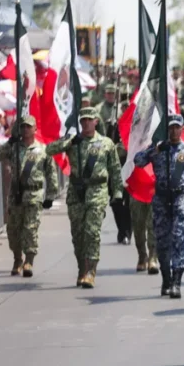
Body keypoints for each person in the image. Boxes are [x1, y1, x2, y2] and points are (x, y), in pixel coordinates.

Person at [47, 107, 122, 288]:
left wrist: (118, 191)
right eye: (83, 120)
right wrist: (70, 141)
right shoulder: (74, 142)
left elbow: (115, 168)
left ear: (96, 121)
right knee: (78, 234)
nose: (86, 123)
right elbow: (49, 149)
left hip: (97, 190)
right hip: (76, 192)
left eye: (89, 120)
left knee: (92, 232)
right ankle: (82, 268)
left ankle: (91, 271)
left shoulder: (106, 143)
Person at [134, 113, 184, 298]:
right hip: (162, 200)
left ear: (182, 129)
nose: (173, 130)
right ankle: (166, 278)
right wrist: (155, 150)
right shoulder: (159, 149)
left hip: (182, 199)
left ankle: (176, 282)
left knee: (180, 239)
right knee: (162, 242)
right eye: (171, 127)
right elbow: (138, 161)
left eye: (177, 127)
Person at [0, 116, 59, 278]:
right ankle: (17, 259)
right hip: (16, 195)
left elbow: (51, 173)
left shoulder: (43, 150)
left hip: (34, 196)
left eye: (29, 127)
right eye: (23, 127)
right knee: (13, 230)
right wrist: (10, 141)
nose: (25, 130)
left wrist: (50, 195)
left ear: (35, 129)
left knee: (30, 229)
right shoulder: (14, 148)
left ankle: (29, 260)